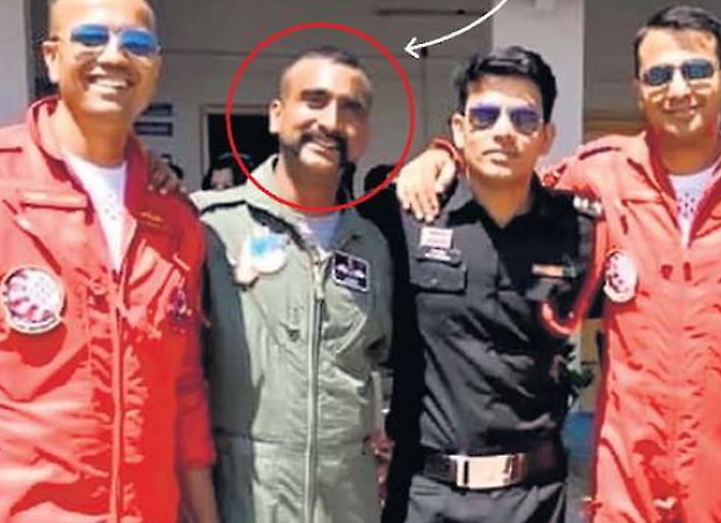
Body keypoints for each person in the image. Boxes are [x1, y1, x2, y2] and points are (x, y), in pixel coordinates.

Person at [396, 5, 721, 522]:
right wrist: (445, 156)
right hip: (630, 491)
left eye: (697, 69)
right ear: (638, 90)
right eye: (659, 75)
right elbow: (508, 182)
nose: (678, 88)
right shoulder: (601, 177)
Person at [0, 0, 218, 521]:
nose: (115, 57)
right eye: (91, 38)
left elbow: (184, 391)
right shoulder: (7, 187)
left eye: (137, 45)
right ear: (51, 58)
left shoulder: (175, 221)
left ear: (155, 69)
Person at [377, 46, 600, 523]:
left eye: (524, 118)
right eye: (484, 116)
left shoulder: (580, 232)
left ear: (546, 137)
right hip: (427, 498)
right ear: (459, 130)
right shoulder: (408, 218)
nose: (503, 130)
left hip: (536, 500)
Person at [193, 46, 393, 523]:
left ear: (363, 133)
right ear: (276, 114)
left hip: (346, 505)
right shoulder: (209, 227)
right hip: (240, 501)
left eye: (350, 109)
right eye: (314, 100)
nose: (331, 121)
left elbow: (386, 365)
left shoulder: (373, 246)